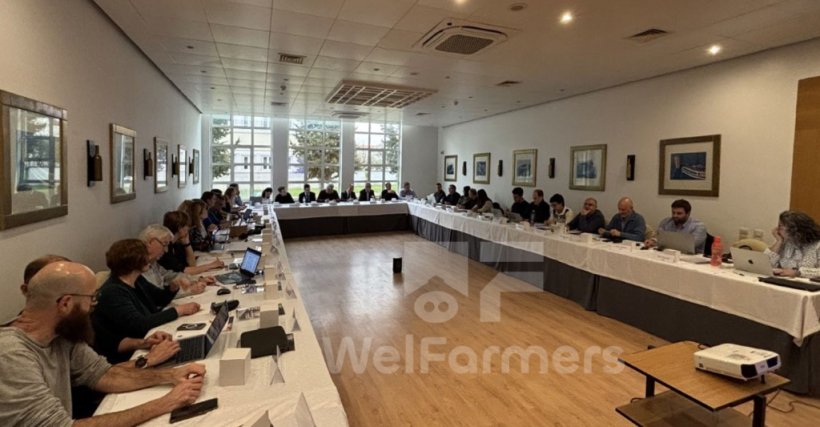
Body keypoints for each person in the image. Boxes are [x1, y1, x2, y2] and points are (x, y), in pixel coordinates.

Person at [0, 261, 205, 425]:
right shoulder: (11, 354)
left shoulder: (62, 334)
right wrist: (165, 403)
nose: (94, 305)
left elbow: (104, 374)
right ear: (66, 303)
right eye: (92, 297)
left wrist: (171, 375)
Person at [93, 240, 201, 364]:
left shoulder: (137, 279)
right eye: (146, 255)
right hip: (130, 356)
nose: (149, 259)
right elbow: (140, 324)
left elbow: (159, 298)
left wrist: (173, 286)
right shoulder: (113, 292)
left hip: (148, 339)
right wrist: (179, 310)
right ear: (135, 261)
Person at [139, 224, 209, 298]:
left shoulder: (153, 262)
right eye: (164, 244)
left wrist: (196, 279)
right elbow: (155, 298)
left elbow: (170, 275)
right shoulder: (138, 267)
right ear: (150, 242)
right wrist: (189, 290)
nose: (166, 250)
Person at [159, 211, 224, 275]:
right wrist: (211, 265)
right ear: (180, 228)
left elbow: (192, 264)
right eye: (186, 225)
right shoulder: (166, 248)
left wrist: (186, 242)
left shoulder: (177, 243)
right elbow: (185, 271)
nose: (188, 228)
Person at [766, 210, 820, 277]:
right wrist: (778, 241)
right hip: (785, 281)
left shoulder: (817, 245)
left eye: (780, 226)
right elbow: (765, 264)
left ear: (794, 230)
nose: (777, 229)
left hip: (809, 285)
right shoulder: (785, 242)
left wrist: (797, 273)